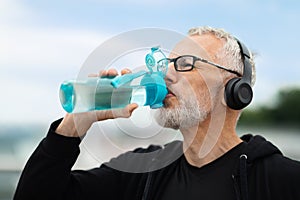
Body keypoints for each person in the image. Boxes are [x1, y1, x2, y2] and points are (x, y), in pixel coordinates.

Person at [14, 26, 300, 200]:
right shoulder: (144, 170)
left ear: (233, 88)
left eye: (186, 63)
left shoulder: (280, 180)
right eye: (167, 63)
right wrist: (77, 122)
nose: (167, 74)